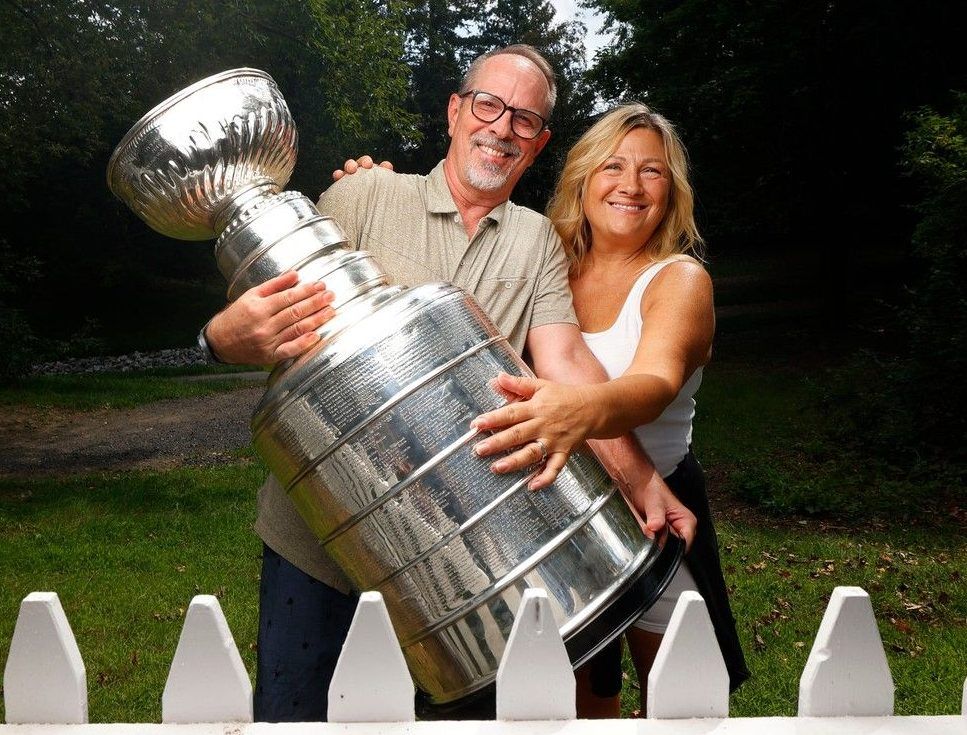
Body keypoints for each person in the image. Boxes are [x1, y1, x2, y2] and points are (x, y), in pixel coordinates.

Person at [199, 46, 696, 721]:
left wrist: (643, 482)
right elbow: (272, 315)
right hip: (316, 547)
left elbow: (566, 367)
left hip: (454, 564)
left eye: (525, 120)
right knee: (297, 718)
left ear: (540, 141)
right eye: (488, 105)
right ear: (456, 111)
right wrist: (219, 340)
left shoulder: (536, 241)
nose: (502, 128)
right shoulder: (363, 194)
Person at [472, 103, 750, 715]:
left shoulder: (679, 280)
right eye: (613, 167)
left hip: (659, 513)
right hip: (556, 511)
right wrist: (375, 187)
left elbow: (654, 381)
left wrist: (576, 409)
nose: (630, 185)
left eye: (651, 171)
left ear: (671, 192)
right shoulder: (545, 267)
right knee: (577, 702)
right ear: (582, 179)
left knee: (676, 703)